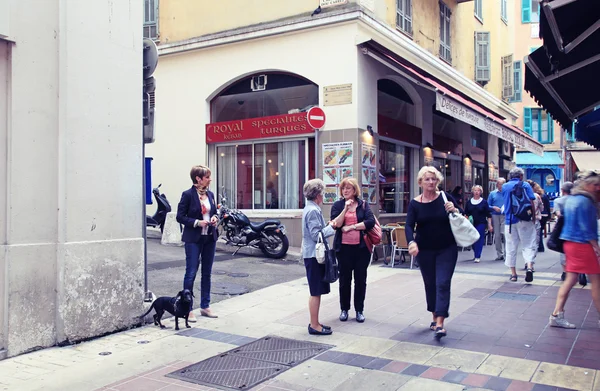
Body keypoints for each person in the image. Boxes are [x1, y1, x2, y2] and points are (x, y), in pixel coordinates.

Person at [406, 166, 460, 340]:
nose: (431, 182)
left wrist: (455, 210)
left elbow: (462, 216)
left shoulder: (445, 198)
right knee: (430, 283)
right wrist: (411, 242)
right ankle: (434, 314)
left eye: (433, 179)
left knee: (443, 283)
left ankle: (440, 323)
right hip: (425, 250)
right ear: (420, 182)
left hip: (447, 248)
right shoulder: (415, 203)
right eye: (427, 179)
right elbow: (408, 225)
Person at [549, 171, 600, 329]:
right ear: (588, 185)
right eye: (595, 185)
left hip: (569, 243)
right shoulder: (586, 202)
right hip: (582, 244)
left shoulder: (571, 199)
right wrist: (596, 246)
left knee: (570, 280)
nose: (598, 188)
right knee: (596, 281)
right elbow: (587, 227)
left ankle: (557, 314)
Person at [176, 165, 219, 321]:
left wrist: (214, 218)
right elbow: (180, 217)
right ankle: (187, 309)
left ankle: (205, 306)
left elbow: (213, 212)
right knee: (191, 272)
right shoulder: (187, 195)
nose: (210, 179)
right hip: (193, 239)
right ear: (198, 179)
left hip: (209, 238)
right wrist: (196, 223)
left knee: (207, 273)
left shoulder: (211, 195)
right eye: (207, 177)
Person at [330, 177, 375, 324]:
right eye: (343, 188)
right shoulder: (337, 205)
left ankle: (359, 310)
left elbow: (370, 222)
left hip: (362, 249)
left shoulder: (363, 205)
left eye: (348, 188)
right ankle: (344, 309)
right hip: (343, 249)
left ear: (355, 190)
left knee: (360, 280)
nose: (345, 191)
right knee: (344, 280)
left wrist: (352, 227)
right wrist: (345, 209)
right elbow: (336, 224)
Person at [301, 178, 336, 335]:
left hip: (312, 255)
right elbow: (317, 235)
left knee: (317, 290)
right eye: (322, 193)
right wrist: (331, 227)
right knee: (315, 291)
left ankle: (315, 323)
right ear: (317, 195)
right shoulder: (313, 210)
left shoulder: (310, 208)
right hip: (314, 256)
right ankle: (314, 325)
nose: (323, 196)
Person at [502, 167, 537, 283]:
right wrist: (533, 216)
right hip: (525, 219)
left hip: (510, 221)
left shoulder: (505, 186)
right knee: (528, 244)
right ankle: (529, 267)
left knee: (511, 247)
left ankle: (513, 274)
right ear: (521, 176)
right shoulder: (526, 185)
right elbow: (532, 200)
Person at [464, 185, 492, 263]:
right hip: (472, 223)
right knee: (473, 239)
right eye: (475, 190)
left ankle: (477, 256)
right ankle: (475, 252)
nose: (476, 192)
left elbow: (488, 214)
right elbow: (466, 213)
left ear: (481, 192)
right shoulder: (469, 202)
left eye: (478, 190)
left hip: (481, 222)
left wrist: (489, 225)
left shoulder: (484, 202)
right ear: (472, 192)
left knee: (479, 238)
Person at [553, 181, 574, 281]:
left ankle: (565, 272)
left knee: (563, 250)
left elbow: (558, 214)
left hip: (563, 228)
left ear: (562, 190)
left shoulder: (558, 201)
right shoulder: (577, 200)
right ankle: (580, 272)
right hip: (576, 228)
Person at [526, 180, 545, 271]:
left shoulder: (522, 196)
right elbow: (542, 208)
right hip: (535, 220)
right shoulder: (536, 196)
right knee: (535, 242)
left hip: (524, 221)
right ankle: (531, 263)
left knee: (526, 242)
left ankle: (526, 261)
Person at [488, 178, 506, 261]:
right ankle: (499, 254)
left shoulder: (507, 193)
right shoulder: (492, 194)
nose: (500, 186)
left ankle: (506, 254)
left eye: (502, 184)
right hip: (495, 215)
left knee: (505, 234)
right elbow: (487, 205)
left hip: (504, 215)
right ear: (497, 185)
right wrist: (494, 207)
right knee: (497, 235)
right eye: (499, 184)